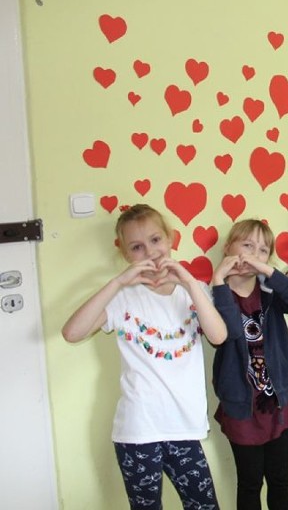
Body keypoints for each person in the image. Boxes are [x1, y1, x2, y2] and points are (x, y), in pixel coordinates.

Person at [62, 204, 226, 510]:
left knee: (205, 505)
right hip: (138, 430)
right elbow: (72, 333)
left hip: (184, 427)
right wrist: (117, 283)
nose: (149, 252)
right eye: (136, 247)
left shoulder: (194, 291)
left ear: (170, 239)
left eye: (155, 240)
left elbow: (218, 336)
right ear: (125, 254)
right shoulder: (122, 299)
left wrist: (188, 282)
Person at [210, 219, 288, 510]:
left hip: (279, 401)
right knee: (250, 482)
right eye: (247, 245)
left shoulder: (270, 292)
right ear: (228, 247)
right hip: (242, 406)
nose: (253, 254)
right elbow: (228, 332)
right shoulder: (214, 297)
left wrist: (269, 272)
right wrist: (219, 280)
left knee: (280, 478)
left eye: (263, 250)